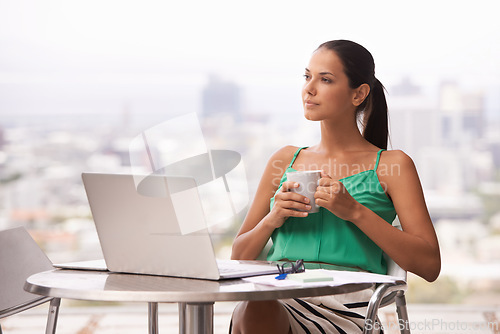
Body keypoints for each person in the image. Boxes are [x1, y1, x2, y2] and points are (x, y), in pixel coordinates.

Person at [230, 40, 441, 333]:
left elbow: (429, 266)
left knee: (256, 308)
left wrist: (354, 211)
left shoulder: (393, 166)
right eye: (307, 77)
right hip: (278, 294)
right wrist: (272, 218)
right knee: (256, 305)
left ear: (359, 94)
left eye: (325, 79)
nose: (309, 88)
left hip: (349, 306)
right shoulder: (283, 160)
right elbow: (239, 257)